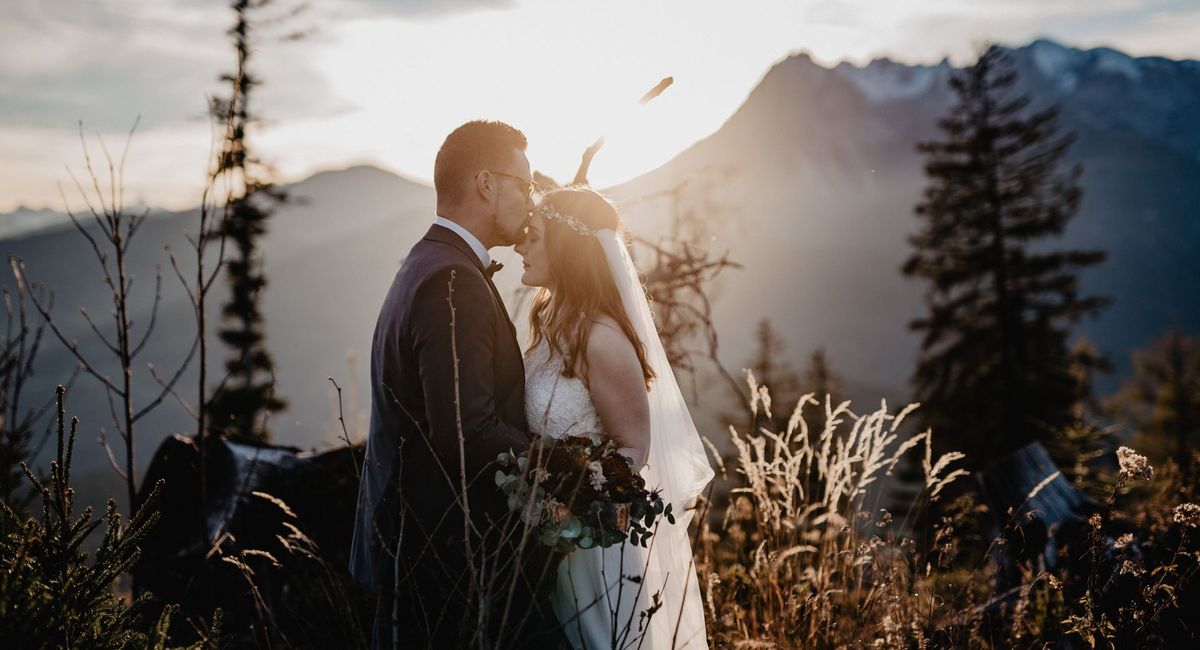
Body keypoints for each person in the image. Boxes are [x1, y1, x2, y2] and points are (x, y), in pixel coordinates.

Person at [349, 120, 566, 649]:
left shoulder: (429, 262)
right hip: (444, 562)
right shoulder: (453, 280)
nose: (532, 198)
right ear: (487, 184)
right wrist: (570, 468)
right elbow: (468, 430)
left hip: (423, 553)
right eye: (526, 183)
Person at [515, 187, 714, 649]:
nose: (521, 245)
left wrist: (570, 502)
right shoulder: (551, 323)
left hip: (592, 551)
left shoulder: (602, 338)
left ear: (565, 249)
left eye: (534, 236)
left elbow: (632, 449)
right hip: (546, 542)